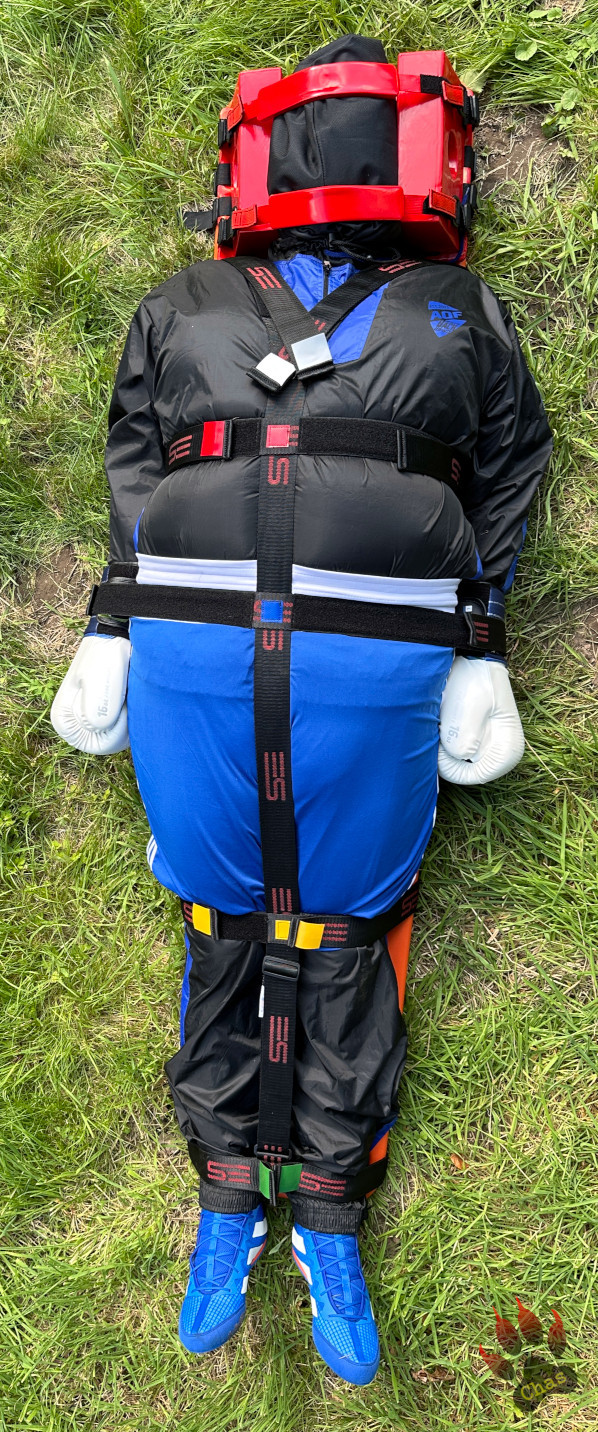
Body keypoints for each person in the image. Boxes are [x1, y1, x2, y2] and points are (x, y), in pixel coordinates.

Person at [51, 34, 552, 1386]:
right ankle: (227, 1194)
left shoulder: (459, 309)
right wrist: (112, 616)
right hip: (199, 644)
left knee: (343, 925)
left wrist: (480, 644)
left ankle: (325, 1210)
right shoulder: (188, 300)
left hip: (376, 656)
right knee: (219, 910)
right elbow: (136, 456)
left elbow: (506, 472)